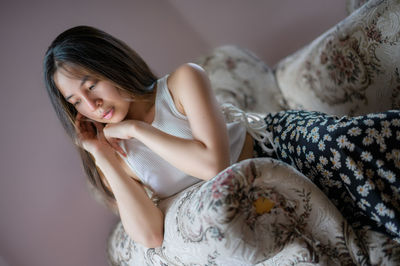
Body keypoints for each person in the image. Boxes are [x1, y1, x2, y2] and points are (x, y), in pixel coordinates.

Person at [43, 25, 400, 248]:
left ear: (112, 65)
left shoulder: (183, 80)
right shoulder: (113, 152)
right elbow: (150, 235)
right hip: (262, 184)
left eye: (93, 86)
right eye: (76, 102)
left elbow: (213, 163)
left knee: (349, 142)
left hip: (281, 143)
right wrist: (101, 155)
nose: (92, 105)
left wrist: (138, 128)